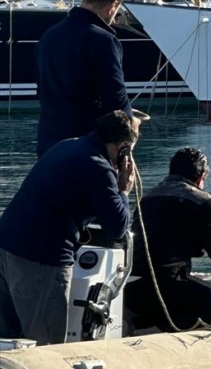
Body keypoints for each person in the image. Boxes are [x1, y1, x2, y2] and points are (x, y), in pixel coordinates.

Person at [0, 111, 137, 345]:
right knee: (45, 343)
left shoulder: (68, 146)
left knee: (7, 338)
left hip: (6, 246)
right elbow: (117, 227)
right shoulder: (99, 168)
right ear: (123, 147)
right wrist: (124, 190)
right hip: (40, 259)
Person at [125, 147, 211, 331]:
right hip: (171, 285)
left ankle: (151, 326)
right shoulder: (202, 201)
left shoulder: (148, 199)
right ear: (201, 177)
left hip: (136, 290)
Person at [35, 0, 134, 157]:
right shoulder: (103, 41)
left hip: (48, 148)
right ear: (113, 6)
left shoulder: (49, 37)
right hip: (86, 151)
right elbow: (115, 98)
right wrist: (130, 121)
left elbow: (41, 91)